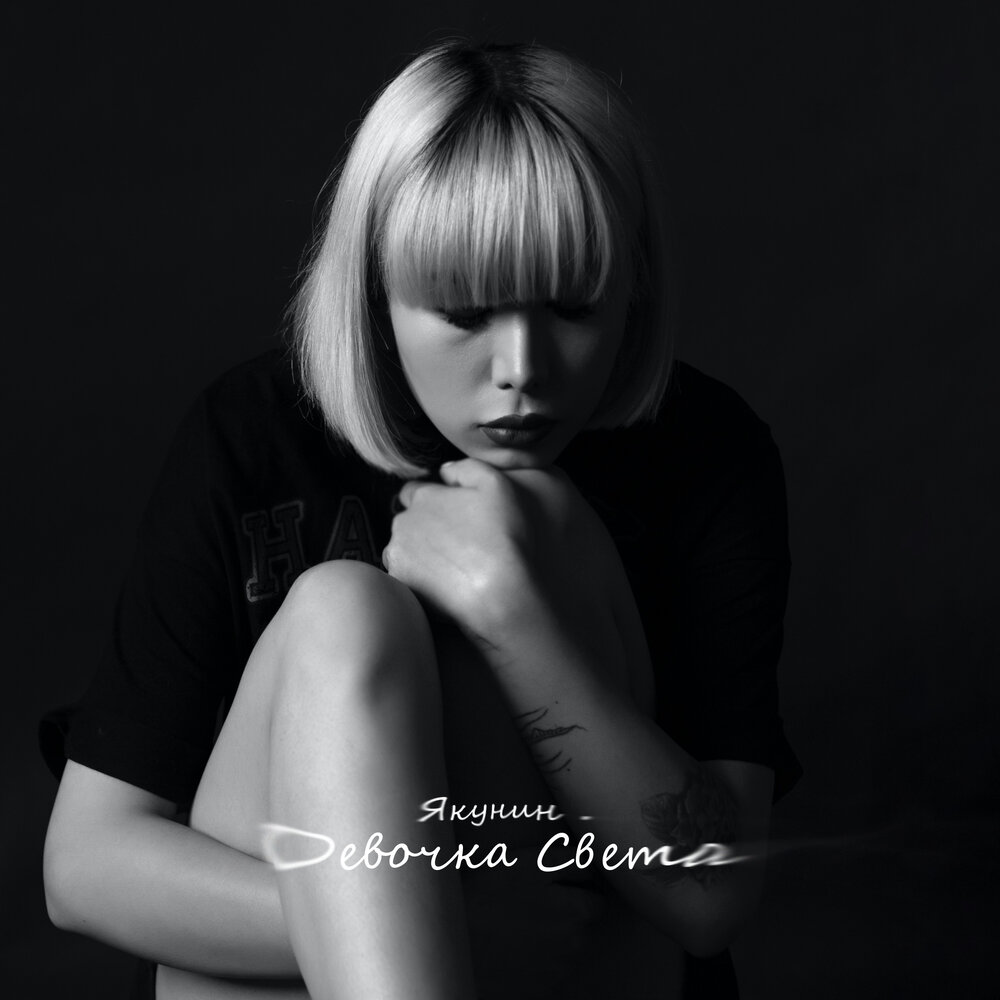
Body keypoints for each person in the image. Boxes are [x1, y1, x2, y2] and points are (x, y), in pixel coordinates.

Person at [41, 40, 799, 1000]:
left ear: (634, 284)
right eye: (465, 314)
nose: (522, 369)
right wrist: (432, 921)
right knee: (345, 612)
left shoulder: (706, 452)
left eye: (573, 307)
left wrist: (514, 616)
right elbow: (87, 868)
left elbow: (709, 897)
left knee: (542, 525)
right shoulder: (252, 437)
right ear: (378, 294)